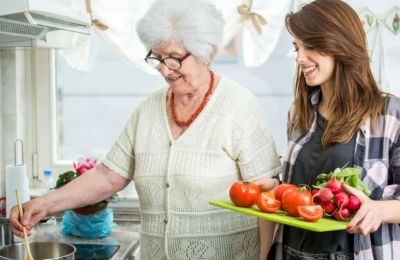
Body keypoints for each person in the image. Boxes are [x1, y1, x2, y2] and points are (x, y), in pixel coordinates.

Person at [10, 0, 281, 259]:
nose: (164, 70)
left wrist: (263, 257)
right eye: (157, 58)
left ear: (205, 52)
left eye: (174, 59)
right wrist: (44, 204)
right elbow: (107, 176)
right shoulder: (148, 110)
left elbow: (267, 195)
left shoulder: (239, 107)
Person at [268, 0, 400, 259]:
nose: (299, 58)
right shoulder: (299, 113)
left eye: (310, 46)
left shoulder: (389, 114)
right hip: (292, 252)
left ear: (341, 45)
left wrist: (380, 211)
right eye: (297, 47)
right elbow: (305, 192)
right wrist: (276, 186)